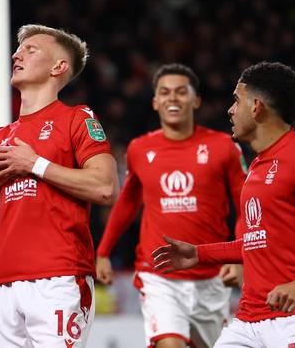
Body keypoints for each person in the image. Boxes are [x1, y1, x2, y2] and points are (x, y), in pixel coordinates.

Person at [153, 61, 295, 348]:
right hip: (249, 321)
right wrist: (200, 254)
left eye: (237, 100)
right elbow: (259, 242)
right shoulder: (257, 167)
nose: (230, 109)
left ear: (257, 107)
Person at [0, 24, 119, 348]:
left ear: (59, 67)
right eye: (19, 50)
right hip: (2, 285)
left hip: (59, 277)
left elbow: (105, 187)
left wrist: (35, 165)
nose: (17, 54)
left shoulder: (77, 118)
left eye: (31, 50)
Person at [96, 63, 248, 348]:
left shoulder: (224, 147)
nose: (172, 98)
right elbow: (128, 201)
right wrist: (103, 251)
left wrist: (238, 256)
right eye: (164, 93)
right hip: (159, 274)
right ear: (155, 102)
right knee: (170, 344)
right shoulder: (140, 149)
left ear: (196, 100)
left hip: (211, 277)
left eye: (181, 92)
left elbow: (247, 204)